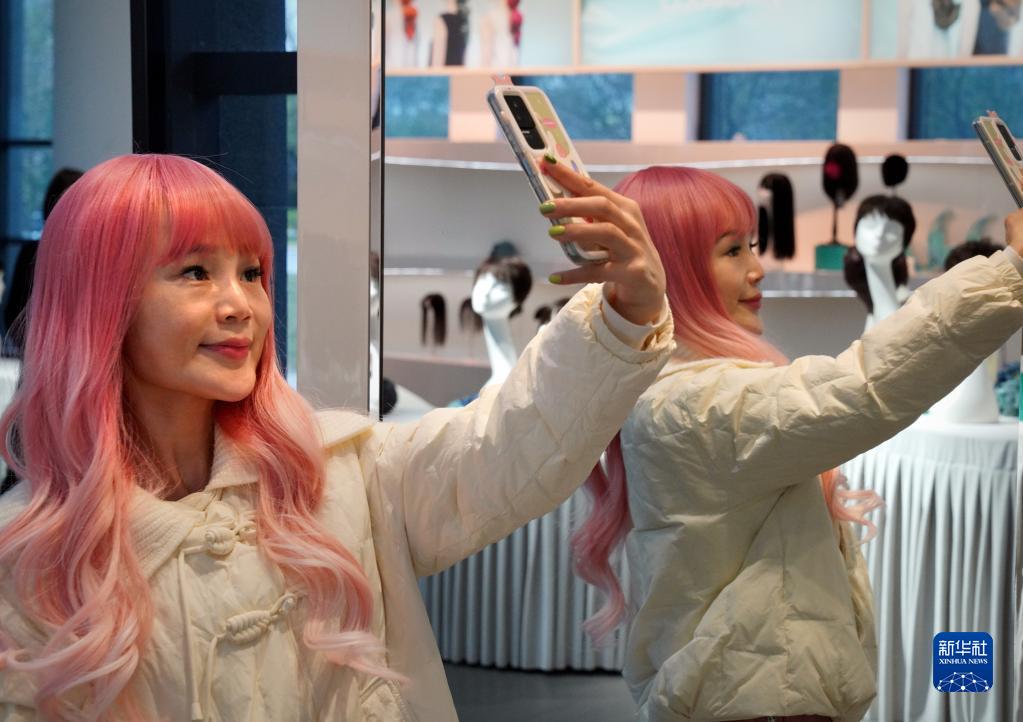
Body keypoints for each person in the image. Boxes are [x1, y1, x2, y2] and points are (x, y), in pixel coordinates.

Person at [0, 153, 673, 721]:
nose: (241, 306)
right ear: (101, 300)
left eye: (252, 273)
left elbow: (507, 443)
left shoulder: (340, 470)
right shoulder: (30, 559)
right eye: (195, 272)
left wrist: (621, 316)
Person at [571, 166, 1023, 722]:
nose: (757, 269)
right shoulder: (694, 404)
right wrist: (1009, 273)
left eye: (751, 246)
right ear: (668, 267)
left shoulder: (684, 392)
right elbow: (863, 387)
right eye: (732, 250)